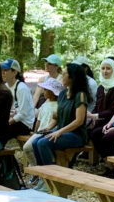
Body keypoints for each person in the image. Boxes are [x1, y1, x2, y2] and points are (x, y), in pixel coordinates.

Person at [32, 63, 90, 192]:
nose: (62, 76)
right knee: (36, 142)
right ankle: (43, 177)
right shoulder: (63, 94)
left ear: (72, 77)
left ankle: (51, 179)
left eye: (64, 74)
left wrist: (58, 132)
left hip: (76, 135)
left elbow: (79, 121)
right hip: (61, 131)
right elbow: (56, 117)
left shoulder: (80, 95)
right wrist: (48, 128)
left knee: (43, 144)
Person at [22, 77, 63, 185]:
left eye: (45, 90)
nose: (43, 92)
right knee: (28, 148)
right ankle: (36, 170)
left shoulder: (58, 106)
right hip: (40, 132)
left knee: (28, 147)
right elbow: (39, 120)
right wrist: (35, 131)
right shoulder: (45, 104)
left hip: (48, 132)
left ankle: (39, 171)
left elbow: (56, 122)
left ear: (52, 93)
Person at [87, 58, 114, 131]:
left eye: (108, 68)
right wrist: (91, 116)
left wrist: (95, 116)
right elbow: (97, 106)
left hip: (112, 121)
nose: (105, 71)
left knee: (95, 133)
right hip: (99, 120)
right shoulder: (101, 87)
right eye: (103, 68)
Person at [1, 58, 34, 139]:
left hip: (25, 124)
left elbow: (23, 114)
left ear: (15, 72)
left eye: (5, 70)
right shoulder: (6, 86)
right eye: (1, 70)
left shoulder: (22, 88)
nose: (2, 73)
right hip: (13, 119)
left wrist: (7, 123)